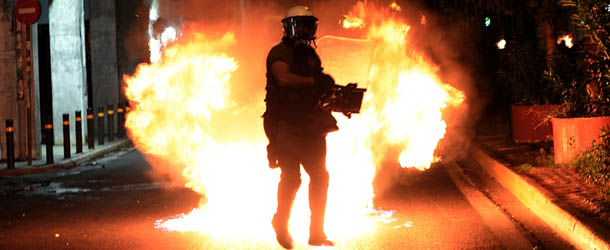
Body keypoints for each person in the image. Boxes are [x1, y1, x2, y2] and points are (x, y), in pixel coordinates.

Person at [263, 5, 337, 249]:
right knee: (292, 177)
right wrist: (314, 82)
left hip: (310, 124)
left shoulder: (310, 57)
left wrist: (335, 95)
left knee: (320, 176)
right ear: (288, 27)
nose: (305, 30)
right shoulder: (279, 53)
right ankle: (280, 223)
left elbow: (315, 90)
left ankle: (316, 233)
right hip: (285, 124)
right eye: (300, 24)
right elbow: (284, 79)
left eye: (308, 25)